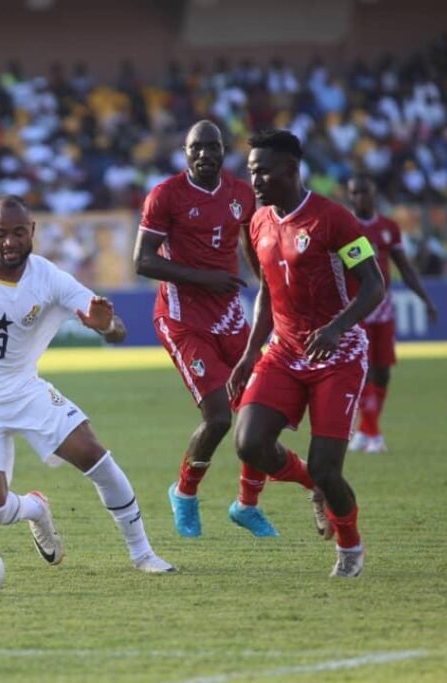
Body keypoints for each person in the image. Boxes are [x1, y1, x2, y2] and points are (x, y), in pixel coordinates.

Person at [0, 195, 176, 574]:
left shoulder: (51, 279)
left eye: (18, 233)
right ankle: (35, 508)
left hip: (23, 389)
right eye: (1, 234)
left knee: (95, 455)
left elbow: (115, 330)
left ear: (32, 232)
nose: (10, 241)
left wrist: (106, 324)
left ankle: (143, 554)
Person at [133, 120, 329, 540]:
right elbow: (143, 261)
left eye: (213, 147)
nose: (205, 154)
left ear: (224, 152)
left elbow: (253, 241)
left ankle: (247, 504)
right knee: (220, 417)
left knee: (261, 411)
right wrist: (205, 278)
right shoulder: (165, 195)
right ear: (185, 153)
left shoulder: (242, 193)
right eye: (196, 147)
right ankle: (184, 493)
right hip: (183, 319)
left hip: (230, 317)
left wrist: (269, 285)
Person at [228, 130, 385, 578]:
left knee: (327, 467)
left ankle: (351, 548)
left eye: (263, 171)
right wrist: (249, 351)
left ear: (291, 171)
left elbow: (375, 285)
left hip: (337, 355)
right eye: (251, 170)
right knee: (250, 443)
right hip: (284, 350)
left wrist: (337, 327)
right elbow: (265, 292)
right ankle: (312, 486)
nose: (254, 179)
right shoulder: (257, 222)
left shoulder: (333, 219)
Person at [346, 174, 438, 453]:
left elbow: (405, 267)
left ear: (374, 193)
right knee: (365, 371)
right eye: (355, 192)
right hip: (356, 308)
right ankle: (373, 433)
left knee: (383, 372)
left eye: (365, 191)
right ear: (350, 196)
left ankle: (365, 429)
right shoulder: (345, 227)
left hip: (383, 310)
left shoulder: (388, 228)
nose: (361, 197)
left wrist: (426, 299)